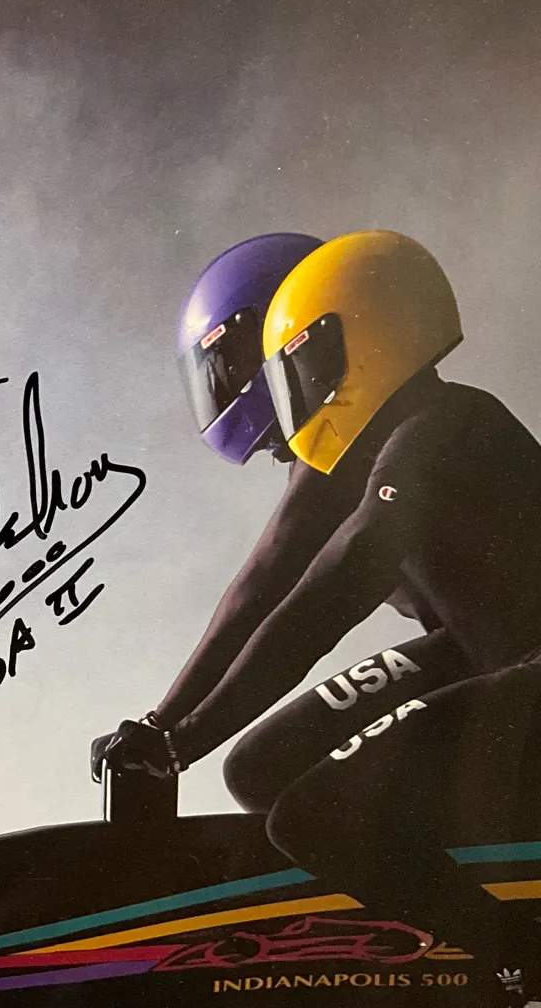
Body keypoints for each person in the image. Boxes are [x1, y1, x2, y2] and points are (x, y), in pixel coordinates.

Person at [95, 229, 541, 1005]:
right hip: (490, 656)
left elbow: (323, 601)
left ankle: (520, 960)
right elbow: (266, 586)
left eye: (289, 362)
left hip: (518, 669)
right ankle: (451, 894)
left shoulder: (434, 435)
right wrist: (166, 730)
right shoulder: (388, 442)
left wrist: (178, 742)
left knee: (313, 818)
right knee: (257, 771)